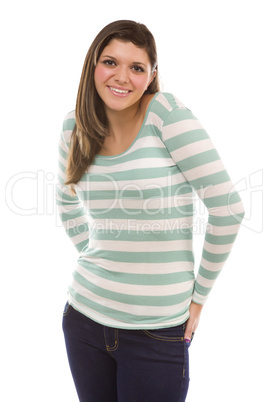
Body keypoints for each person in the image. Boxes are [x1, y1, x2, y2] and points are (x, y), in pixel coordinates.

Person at [56, 20, 245, 402]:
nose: (121, 76)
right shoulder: (75, 126)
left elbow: (228, 209)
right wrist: (98, 257)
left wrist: (198, 299)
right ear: (92, 65)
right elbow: (65, 198)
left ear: (152, 75)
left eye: (137, 67)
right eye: (110, 62)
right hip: (84, 319)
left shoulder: (166, 115)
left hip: (157, 332)